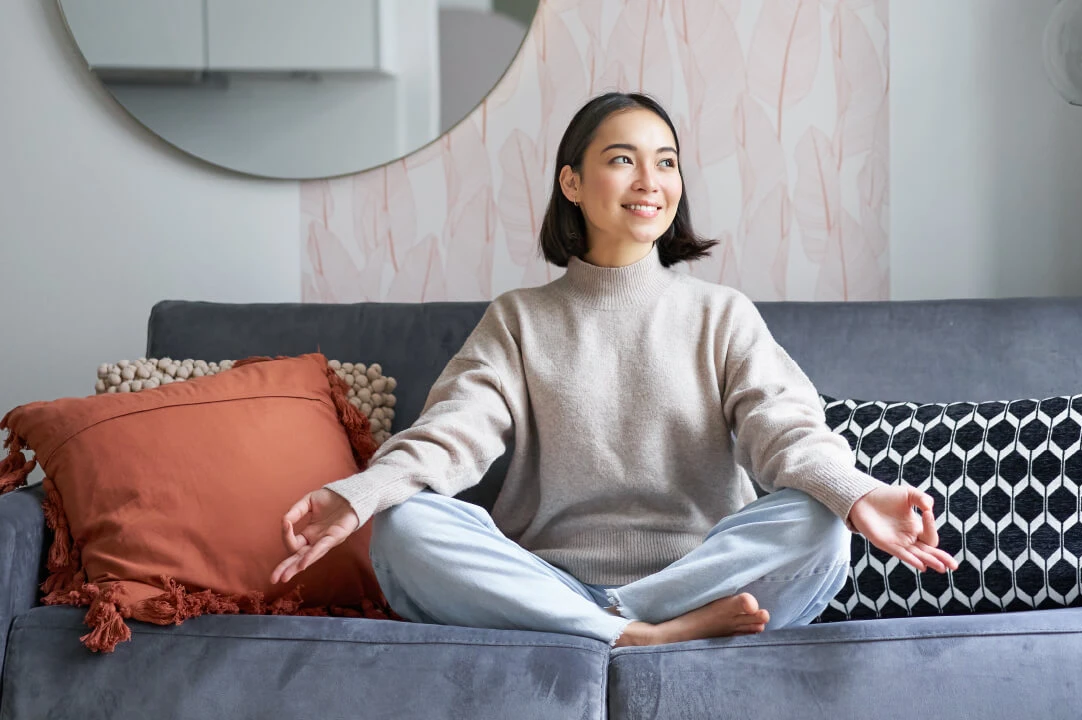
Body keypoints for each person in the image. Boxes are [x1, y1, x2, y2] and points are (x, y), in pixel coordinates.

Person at [271, 92, 958, 648]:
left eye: (666, 163)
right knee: (406, 527)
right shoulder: (519, 319)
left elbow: (787, 432)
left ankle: (601, 623)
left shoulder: (722, 315)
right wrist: (363, 493)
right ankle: (636, 633)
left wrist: (858, 494)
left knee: (819, 524)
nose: (649, 182)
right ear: (571, 181)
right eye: (623, 160)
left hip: (701, 575)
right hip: (547, 569)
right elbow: (453, 434)